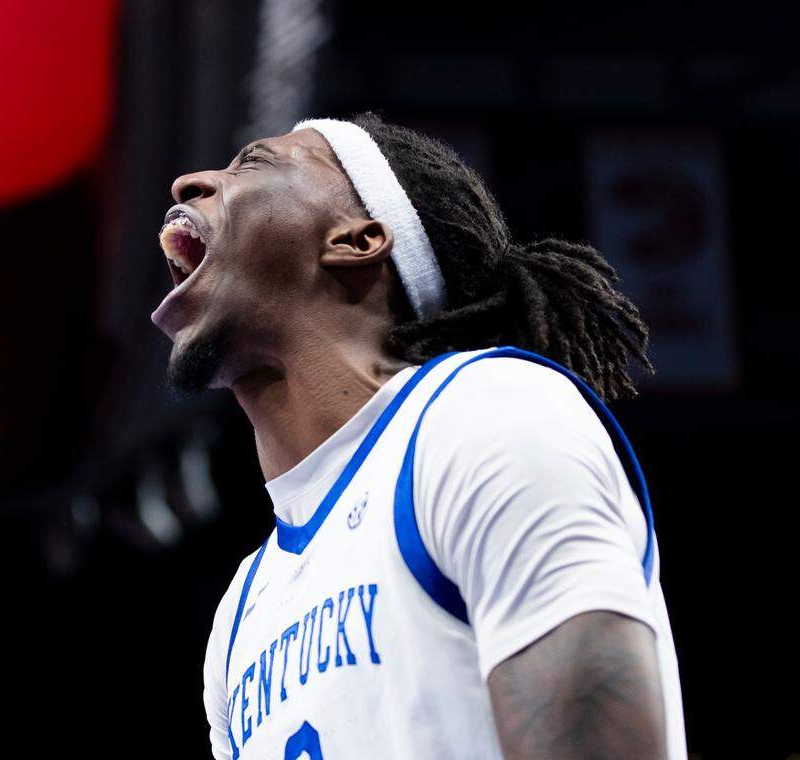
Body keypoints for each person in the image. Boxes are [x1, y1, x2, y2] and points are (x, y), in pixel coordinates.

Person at [150, 112, 686, 759]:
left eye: (254, 162)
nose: (188, 184)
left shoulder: (484, 415)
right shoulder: (243, 613)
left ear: (357, 240)